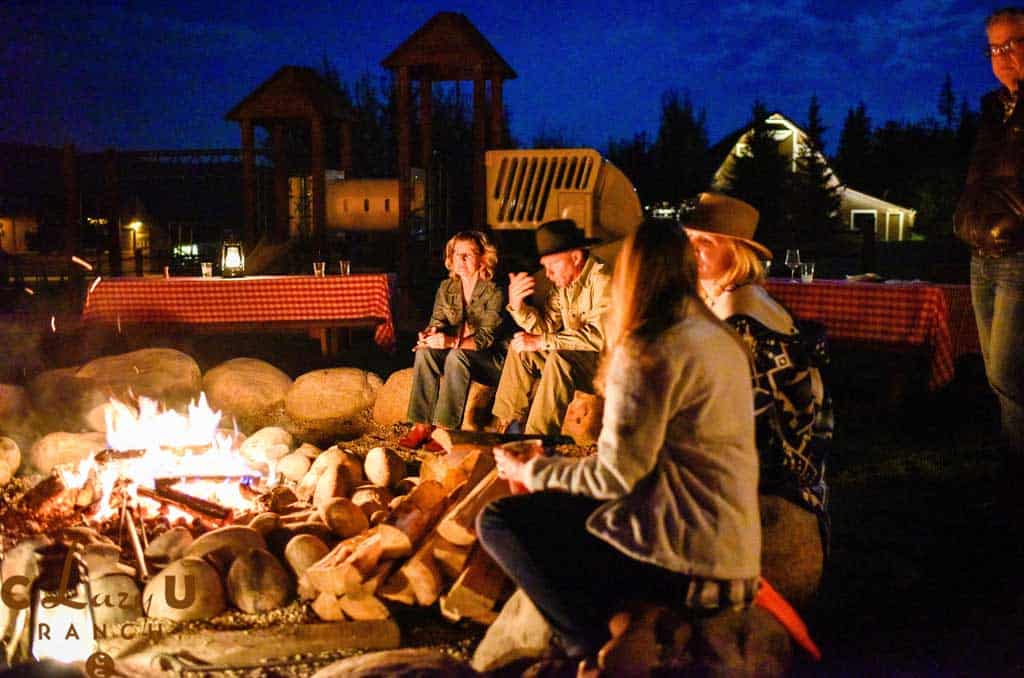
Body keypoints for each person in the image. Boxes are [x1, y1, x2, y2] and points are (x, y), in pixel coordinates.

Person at [477, 219, 761, 667]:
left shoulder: (647, 348)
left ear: (629, 277)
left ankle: (589, 648)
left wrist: (529, 470)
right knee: (572, 512)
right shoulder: (721, 338)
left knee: (498, 520)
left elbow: (613, 476)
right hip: (736, 553)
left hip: (687, 564)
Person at [684, 192, 832, 607]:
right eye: (690, 238)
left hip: (774, 474)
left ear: (738, 252)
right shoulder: (734, 301)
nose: (691, 249)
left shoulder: (740, 318)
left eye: (705, 242)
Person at [954, 7, 1024, 466]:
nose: (1002, 56)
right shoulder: (993, 111)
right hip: (982, 255)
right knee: (996, 374)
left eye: (1012, 43)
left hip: (1019, 254)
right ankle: (1010, 462)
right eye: (994, 48)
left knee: (1009, 371)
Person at [491, 219, 611, 435]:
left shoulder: (603, 279)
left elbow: (599, 338)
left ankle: (538, 438)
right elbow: (546, 327)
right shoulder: (564, 285)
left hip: (605, 364)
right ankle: (509, 427)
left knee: (560, 358)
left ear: (575, 257)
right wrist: (518, 306)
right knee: (520, 349)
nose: (547, 274)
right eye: (545, 267)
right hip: (579, 358)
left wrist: (541, 341)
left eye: (552, 265)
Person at [399, 230, 506, 449]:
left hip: (491, 360)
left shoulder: (495, 291)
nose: (461, 259)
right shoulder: (446, 288)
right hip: (457, 351)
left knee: (457, 355)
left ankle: (446, 429)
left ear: (483, 258)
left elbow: (485, 339)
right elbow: (436, 321)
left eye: (468, 254)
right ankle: (421, 425)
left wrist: (449, 342)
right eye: (457, 253)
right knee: (425, 352)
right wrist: (428, 335)